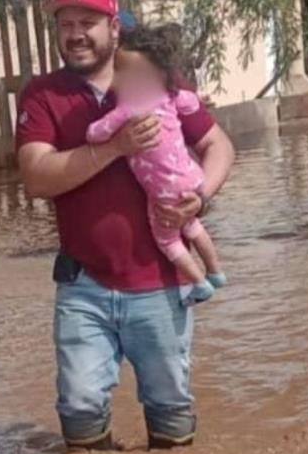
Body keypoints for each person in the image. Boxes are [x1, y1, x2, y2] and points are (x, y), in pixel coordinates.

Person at [16, 0, 235, 450]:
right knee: (77, 406)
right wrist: (115, 147)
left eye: (88, 22)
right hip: (84, 286)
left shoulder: (155, 76)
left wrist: (201, 195)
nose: (75, 33)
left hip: (160, 283)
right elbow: (36, 177)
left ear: (114, 27)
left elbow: (218, 144)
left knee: (170, 407)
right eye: (65, 24)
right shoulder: (42, 95)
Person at [86, 25, 226, 304]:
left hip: (163, 189)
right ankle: (216, 271)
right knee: (192, 225)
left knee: (167, 239)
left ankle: (200, 283)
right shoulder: (170, 96)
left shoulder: (128, 109)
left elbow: (95, 133)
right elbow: (191, 103)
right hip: (192, 177)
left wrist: (103, 137)